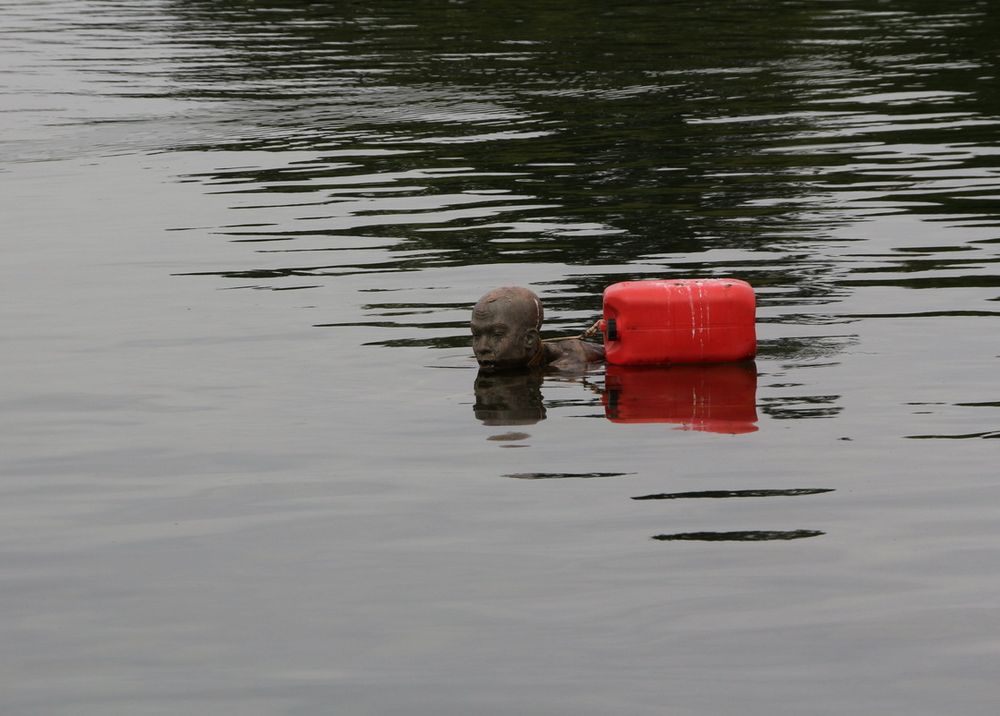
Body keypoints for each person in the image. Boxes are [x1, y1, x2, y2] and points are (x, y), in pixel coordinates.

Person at [471, 286, 605, 372]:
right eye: (476, 335)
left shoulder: (568, 367)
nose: (482, 347)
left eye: (496, 335)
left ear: (529, 339)